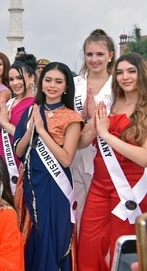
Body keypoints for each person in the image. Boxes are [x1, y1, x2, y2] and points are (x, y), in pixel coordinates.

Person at [77, 53, 147, 270]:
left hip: (130, 188)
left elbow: (145, 158)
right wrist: (91, 127)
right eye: (119, 72)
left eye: (131, 71)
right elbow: (81, 143)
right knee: (88, 244)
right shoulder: (108, 104)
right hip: (99, 186)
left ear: (142, 74)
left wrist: (107, 136)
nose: (124, 77)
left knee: (122, 247)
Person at [14, 62, 83, 271]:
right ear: (41, 83)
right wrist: (30, 130)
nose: (53, 85)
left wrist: (42, 131)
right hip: (31, 182)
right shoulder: (30, 112)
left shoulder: (72, 117)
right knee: (32, 235)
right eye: (48, 80)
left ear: (66, 87)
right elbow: (18, 152)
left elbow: (66, 159)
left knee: (52, 236)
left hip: (55, 186)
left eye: (59, 81)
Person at [71, 29, 116, 235]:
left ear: (111, 55)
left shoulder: (118, 85)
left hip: (108, 159)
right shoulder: (74, 84)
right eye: (89, 54)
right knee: (76, 216)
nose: (94, 59)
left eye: (99, 54)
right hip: (74, 156)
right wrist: (82, 117)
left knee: (101, 222)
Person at [0, 60, 35, 194]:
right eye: (11, 79)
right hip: (1, 161)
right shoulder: (9, 103)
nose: (15, 83)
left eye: (20, 78)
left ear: (31, 78)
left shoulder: (35, 105)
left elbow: (29, 137)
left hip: (19, 163)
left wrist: (5, 124)